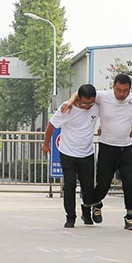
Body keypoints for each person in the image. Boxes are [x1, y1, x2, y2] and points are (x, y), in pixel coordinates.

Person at [62, 73, 132, 230]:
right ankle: (93, 204)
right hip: (107, 147)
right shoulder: (102, 96)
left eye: (125, 90)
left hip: (126, 148)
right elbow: (78, 93)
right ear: (113, 87)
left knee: (130, 183)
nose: (122, 94)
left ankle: (130, 218)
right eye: (118, 90)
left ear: (130, 89)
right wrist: (71, 102)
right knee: (103, 185)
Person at [42, 84, 99, 228]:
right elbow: (51, 126)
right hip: (68, 153)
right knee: (69, 185)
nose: (88, 106)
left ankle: (86, 211)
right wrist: (46, 144)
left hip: (87, 153)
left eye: (91, 103)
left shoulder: (97, 105)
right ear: (79, 99)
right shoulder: (67, 109)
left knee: (88, 186)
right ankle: (70, 217)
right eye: (85, 103)